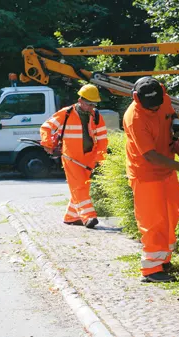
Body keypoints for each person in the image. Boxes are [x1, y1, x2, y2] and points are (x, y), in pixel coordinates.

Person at [123, 77, 179, 283]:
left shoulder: (162, 98)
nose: (155, 109)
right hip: (146, 174)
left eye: (158, 104)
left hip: (166, 172)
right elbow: (150, 156)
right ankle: (151, 270)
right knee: (153, 222)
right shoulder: (134, 117)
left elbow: (171, 112)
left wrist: (177, 125)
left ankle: (164, 260)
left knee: (172, 215)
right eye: (151, 107)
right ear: (137, 98)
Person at [40, 84, 108, 229]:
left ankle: (71, 216)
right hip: (71, 158)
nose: (91, 107)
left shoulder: (96, 116)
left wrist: (101, 160)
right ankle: (88, 217)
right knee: (79, 188)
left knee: (83, 187)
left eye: (94, 104)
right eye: (89, 104)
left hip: (89, 159)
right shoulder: (66, 113)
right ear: (80, 100)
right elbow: (46, 127)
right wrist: (47, 143)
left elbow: (102, 139)